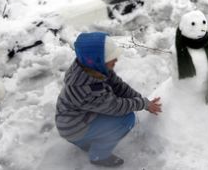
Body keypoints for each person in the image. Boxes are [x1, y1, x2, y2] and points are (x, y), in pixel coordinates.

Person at [56, 32, 162, 167]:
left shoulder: (92, 68)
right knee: (125, 119)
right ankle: (98, 156)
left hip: (78, 118)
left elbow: (118, 86)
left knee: (116, 111)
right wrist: (143, 104)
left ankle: (88, 140)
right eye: (111, 58)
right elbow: (116, 107)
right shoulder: (88, 89)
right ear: (97, 60)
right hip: (73, 127)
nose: (116, 60)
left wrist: (140, 100)